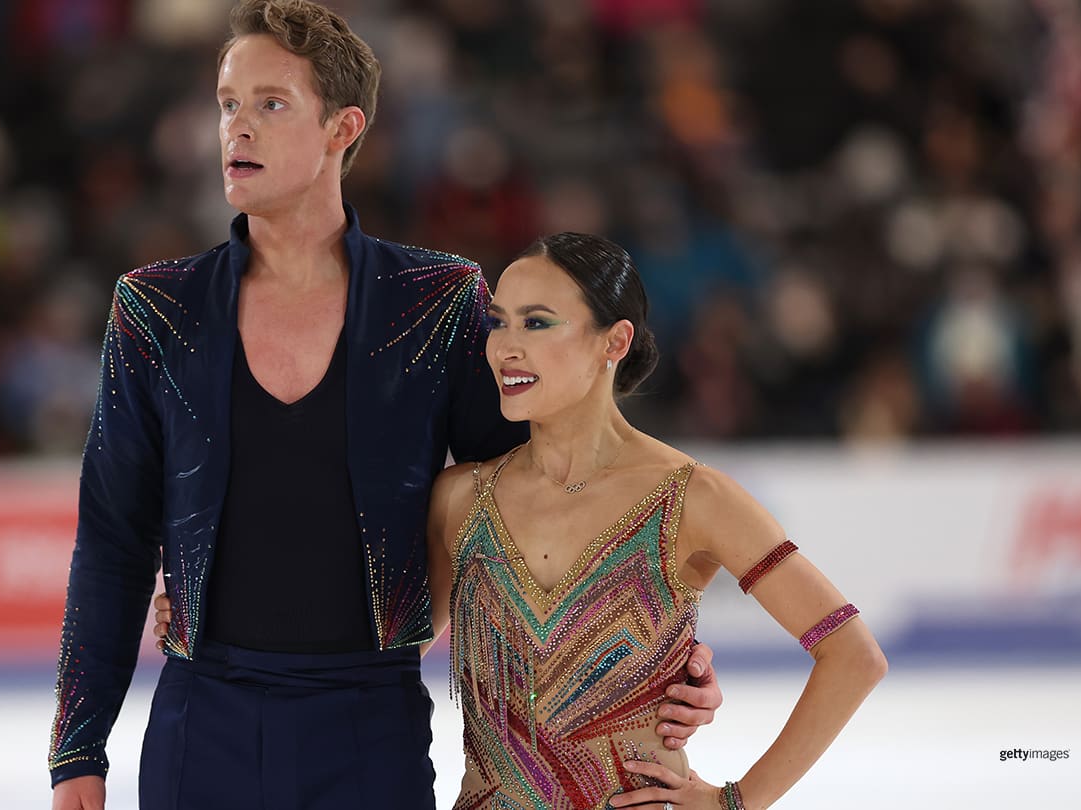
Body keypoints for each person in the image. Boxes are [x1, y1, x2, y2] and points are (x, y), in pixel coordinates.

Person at [52, 3, 721, 809]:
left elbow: (531, 497)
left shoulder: (436, 302)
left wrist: (649, 649)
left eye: (271, 103)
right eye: (229, 103)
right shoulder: (156, 309)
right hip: (204, 719)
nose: (238, 129)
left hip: (370, 721)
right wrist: (77, 753)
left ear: (343, 127)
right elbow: (111, 544)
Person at [421, 231, 887, 809]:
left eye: (536, 323)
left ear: (613, 342)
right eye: (498, 323)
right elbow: (388, 667)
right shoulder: (460, 499)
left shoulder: (695, 498)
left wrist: (734, 803)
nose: (504, 348)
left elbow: (853, 655)